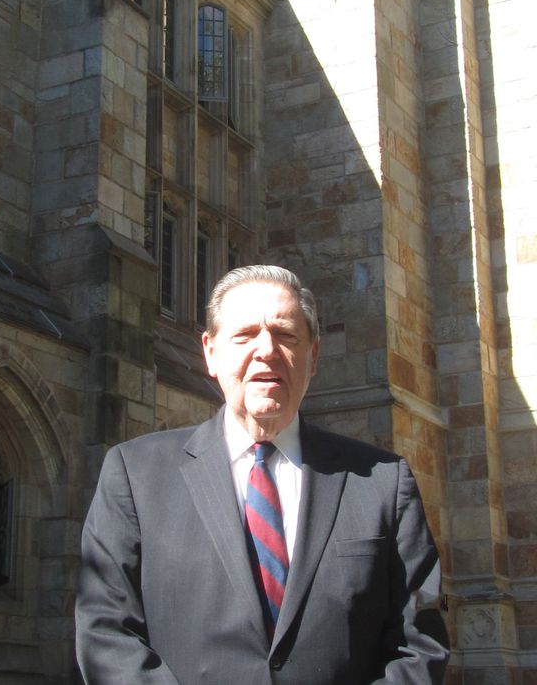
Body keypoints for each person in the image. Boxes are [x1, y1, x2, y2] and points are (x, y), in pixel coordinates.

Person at [75, 265, 449, 684]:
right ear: (210, 353)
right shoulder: (136, 474)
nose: (267, 349)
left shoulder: (382, 481)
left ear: (314, 356)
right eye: (245, 335)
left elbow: (418, 641)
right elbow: (107, 630)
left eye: (286, 334)